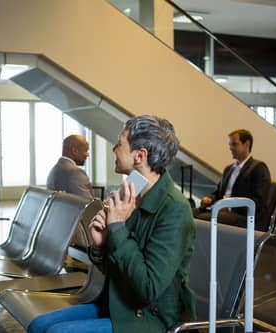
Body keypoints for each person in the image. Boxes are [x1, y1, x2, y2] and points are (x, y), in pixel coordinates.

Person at [28, 115, 196, 333]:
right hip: (118, 302)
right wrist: (100, 245)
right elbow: (117, 266)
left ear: (140, 155)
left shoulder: (174, 208)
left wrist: (117, 229)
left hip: (149, 317)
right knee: (38, 325)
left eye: (120, 143)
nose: (114, 149)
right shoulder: (133, 188)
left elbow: (147, 288)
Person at [194, 129, 271, 231]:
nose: (231, 148)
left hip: (243, 217)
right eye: (230, 144)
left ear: (247, 144)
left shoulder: (258, 168)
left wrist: (229, 208)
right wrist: (210, 198)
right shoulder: (229, 169)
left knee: (203, 219)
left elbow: (258, 202)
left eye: (234, 144)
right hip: (223, 211)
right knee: (188, 213)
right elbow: (218, 193)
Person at [46, 134, 94, 199]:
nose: (87, 155)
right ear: (74, 151)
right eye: (85, 150)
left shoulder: (54, 170)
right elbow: (89, 206)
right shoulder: (76, 173)